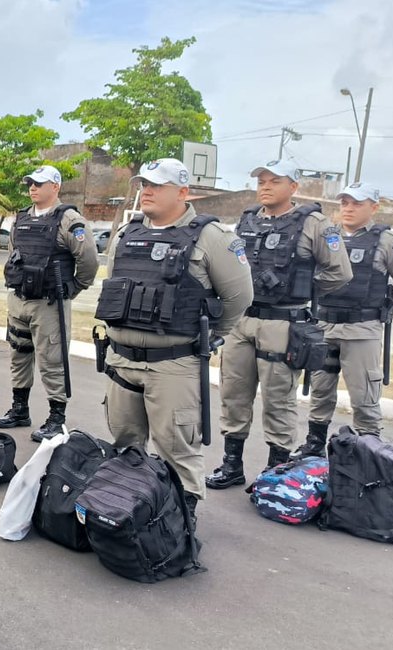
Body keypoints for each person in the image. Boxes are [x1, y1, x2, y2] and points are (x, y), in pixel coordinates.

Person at [97, 158, 253, 522]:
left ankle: (180, 524)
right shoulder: (126, 234)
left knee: (176, 449)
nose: (146, 191)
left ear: (183, 192)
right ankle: (130, 514)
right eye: (143, 184)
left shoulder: (212, 237)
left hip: (173, 364)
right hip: (121, 361)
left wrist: (213, 336)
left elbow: (239, 297)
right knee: (123, 443)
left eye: (156, 185)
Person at [208, 160, 352, 489]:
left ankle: (276, 469)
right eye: (261, 180)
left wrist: (302, 290)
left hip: (283, 323)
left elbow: (340, 273)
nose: (265, 186)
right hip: (242, 321)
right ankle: (232, 464)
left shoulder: (315, 224)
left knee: (278, 398)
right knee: (233, 393)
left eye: (274, 180)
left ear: (294, 187)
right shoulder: (246, 221)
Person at [294, 182, 393, 456]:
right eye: (344, 202)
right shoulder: (328, 237)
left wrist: (382, 310)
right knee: (320, 390)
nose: (348, 208)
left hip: (361, 330)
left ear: (374, 207)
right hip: (323, 326)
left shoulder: (389, 242)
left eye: (357, 203)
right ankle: (314, 444)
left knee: (364, 397)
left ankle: (368, 452)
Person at [0, 165, 99, 440]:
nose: (33, 187)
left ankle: (56, 418)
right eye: (30, 183)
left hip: (49, 302)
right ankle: (19, 409)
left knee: (52, 360)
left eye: (39, 183)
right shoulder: (22, 218)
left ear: (56, 187)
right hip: (19, 299)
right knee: (18, 354)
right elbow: (13, 250)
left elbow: (88, 260)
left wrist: (73, 288)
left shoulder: (69, 220)